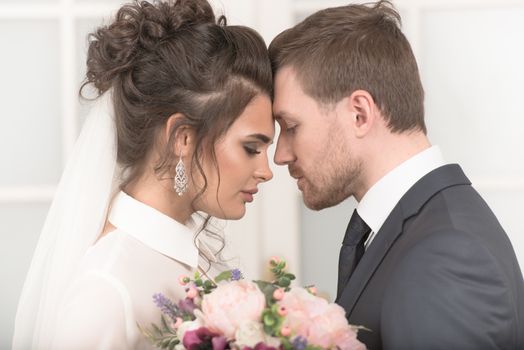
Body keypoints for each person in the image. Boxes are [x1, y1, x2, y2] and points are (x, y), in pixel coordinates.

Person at [12, 0, 274, 348]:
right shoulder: (105, 294)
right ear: (183, 138)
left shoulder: (185, 257)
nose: (267, 171)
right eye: (251, 148)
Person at [269, 1, 524, 349]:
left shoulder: (445, 255)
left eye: (291, 126)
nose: (281, 155)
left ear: (359, 113)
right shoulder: (425, 230)